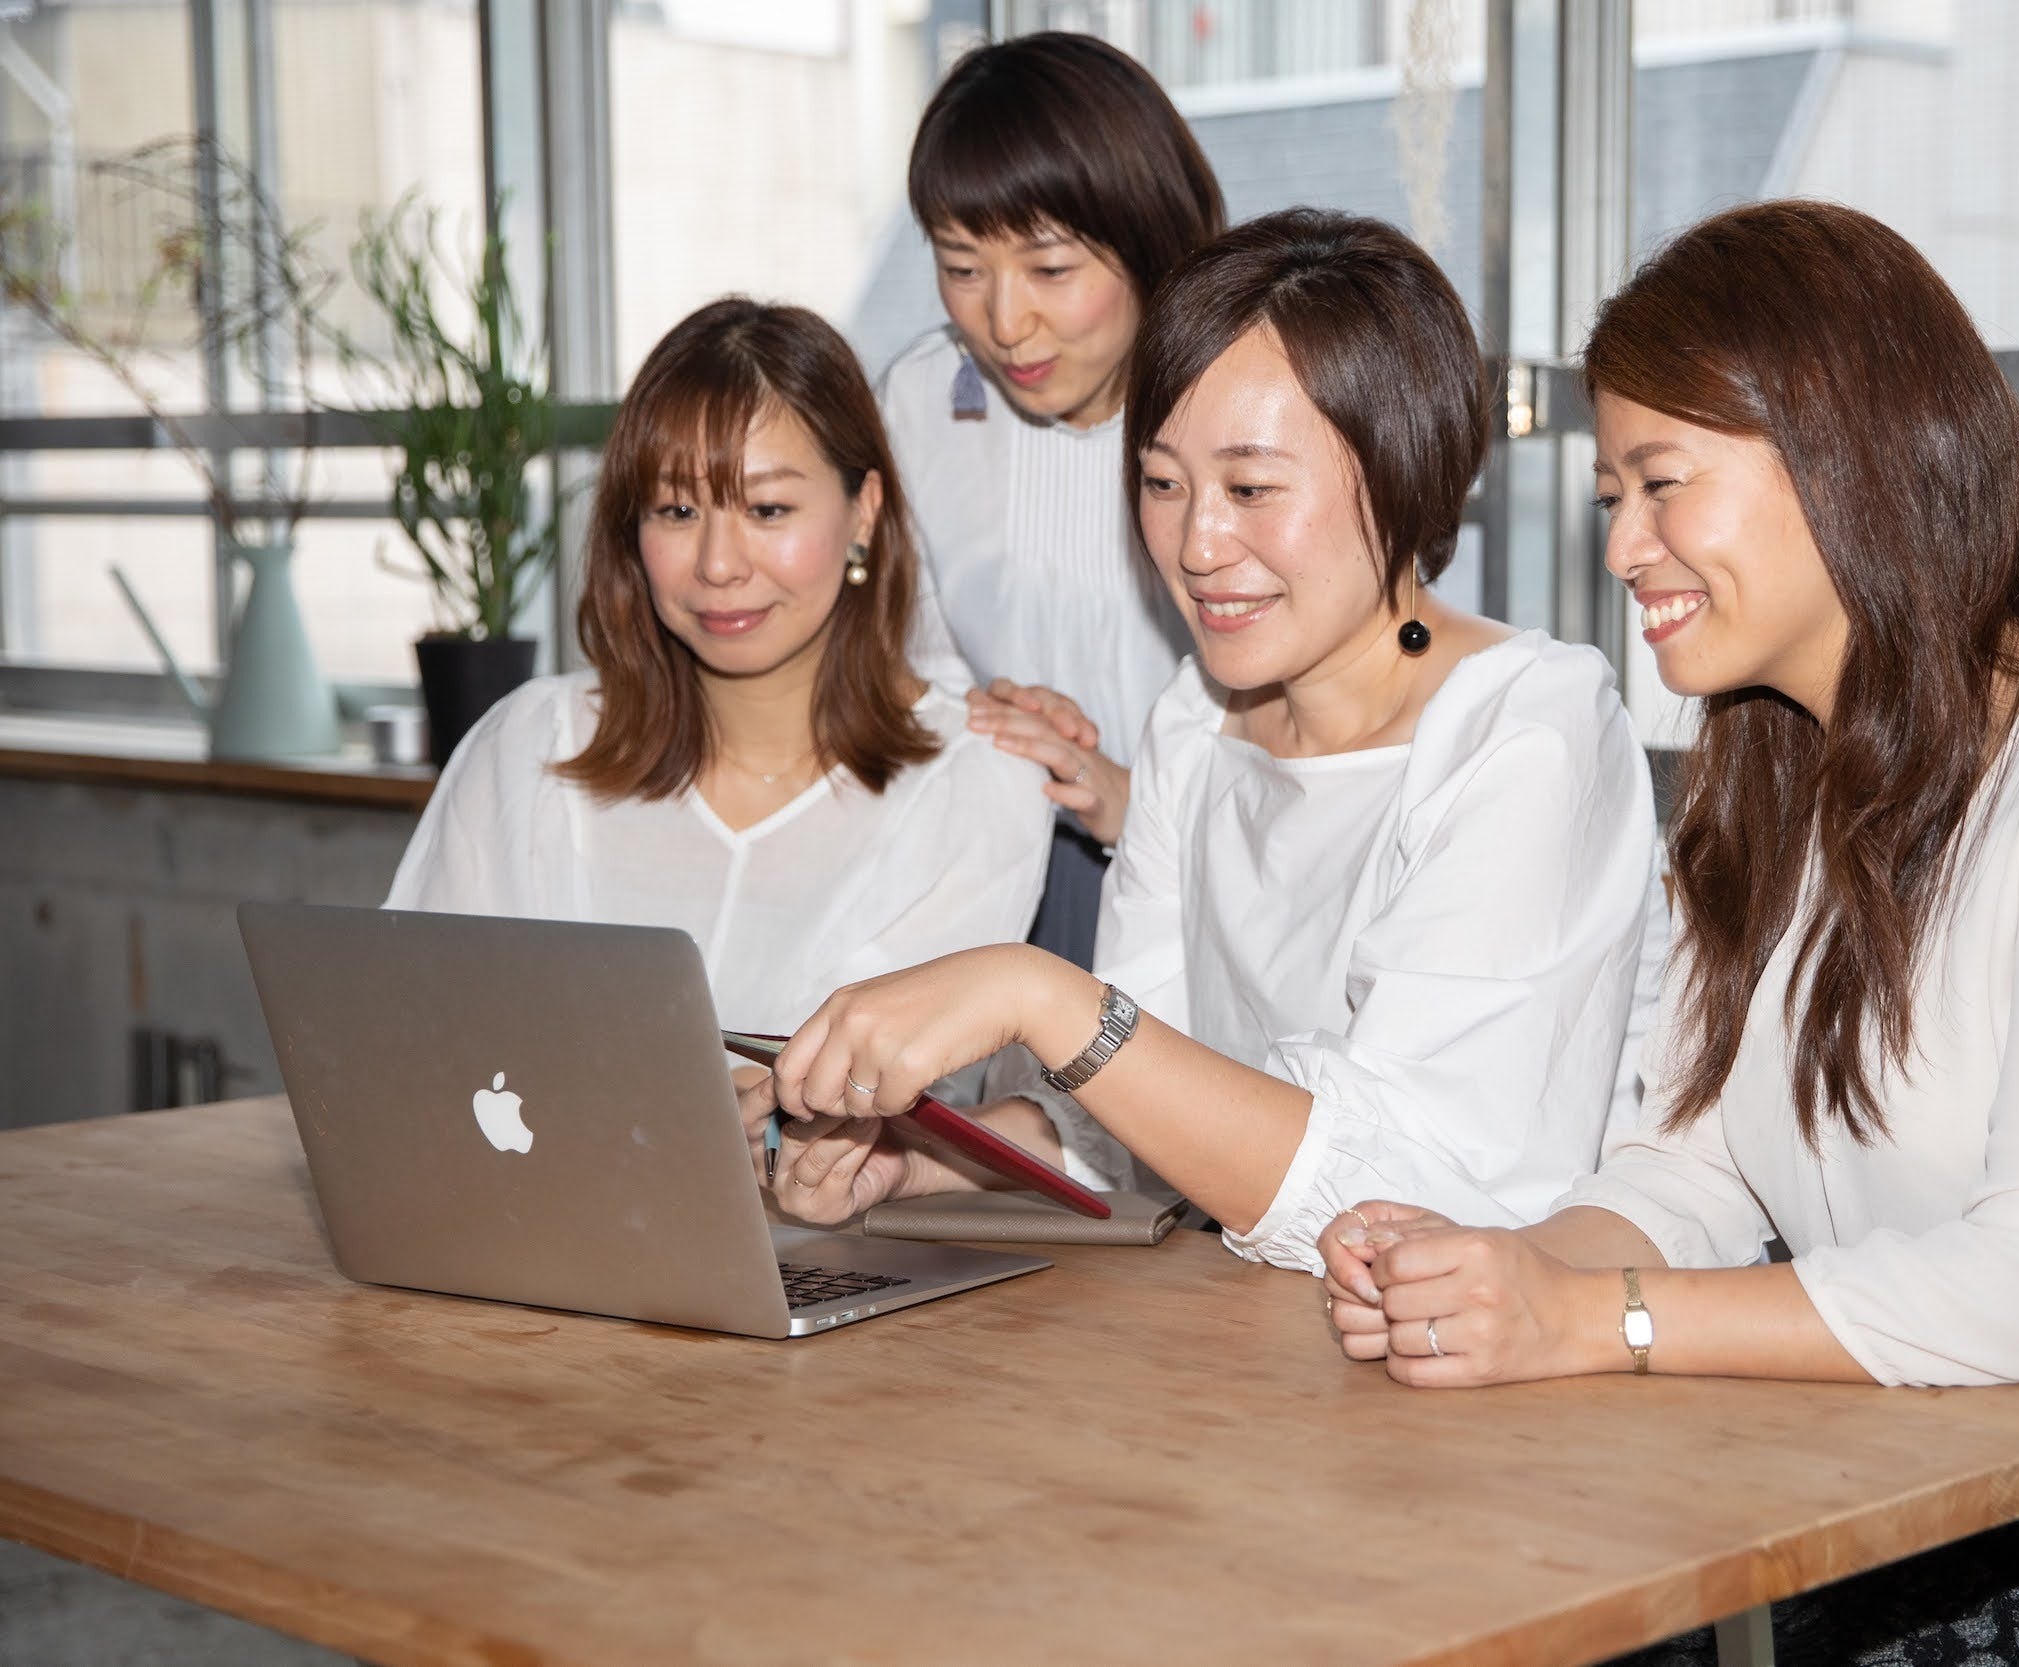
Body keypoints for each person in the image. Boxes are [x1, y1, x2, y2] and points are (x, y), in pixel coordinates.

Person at [1320, 202, 2019, 1663]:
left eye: (1662, 483)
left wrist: (1595, 1319)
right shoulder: (1770, 771)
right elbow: (1692, 1166)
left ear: (1845, 454)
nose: (1625, 546)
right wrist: (1493, 1277)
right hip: (1910, 1447)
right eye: (1610, 496)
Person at [747, 211, 1671, 1273]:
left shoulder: (1526, 730)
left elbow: (1412, 1189)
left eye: (1250, 489)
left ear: (1402, 470)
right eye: (1162, 482)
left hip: (1492, 1347)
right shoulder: (1196, 723)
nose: (1196, 544)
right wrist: (915, 1162)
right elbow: (1137, 1118)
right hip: (1270, 1331)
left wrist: (1034, 992)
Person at [387, 298, 1052, 1040]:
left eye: (767, 510)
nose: (718, 565)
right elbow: (406, 1035)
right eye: (677, 511)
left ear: (864, 511)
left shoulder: (976, 786)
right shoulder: (530, 747)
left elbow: (902, 1088)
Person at [880, 31, 1226, 966]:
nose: (1003, 322)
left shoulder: (1238, 404)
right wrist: (991, 717)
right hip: (995, 841)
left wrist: (1131, 796)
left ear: (1148, 238)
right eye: (962, 268)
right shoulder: (922, 398)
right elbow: (911, 658)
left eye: (1050, 269)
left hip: (1216, 864)